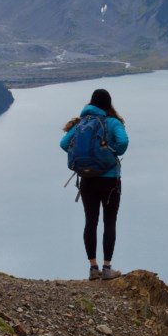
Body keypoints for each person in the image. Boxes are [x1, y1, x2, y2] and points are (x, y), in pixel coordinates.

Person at [60, 88, 129, 281]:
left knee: (91, 221)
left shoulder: (82, 123)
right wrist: (112, 151)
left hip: (87, 180)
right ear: (108, 104)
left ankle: (93, 268)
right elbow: (123, 142)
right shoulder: (112, 122)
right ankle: (107, 268)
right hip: (110, 180)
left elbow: (64, 144)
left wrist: (86, 157)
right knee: (109, 221)